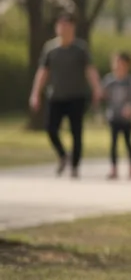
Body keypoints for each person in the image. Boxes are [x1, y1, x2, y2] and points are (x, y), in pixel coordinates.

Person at [28, 12, 103, 179]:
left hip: (76, 96)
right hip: (56, 96)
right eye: (61, 25)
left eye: (66, 25)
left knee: (76, 132)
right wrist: (35, 93)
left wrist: (97, 88)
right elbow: (43, 72)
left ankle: (75, 166)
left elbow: (90, 70)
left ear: (72, 28)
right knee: (51, 128)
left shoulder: (80, 49)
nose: (63, 28)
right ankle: (63, 155)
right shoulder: (50, 49)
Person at [102, 52, 131, 180]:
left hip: (126, 118)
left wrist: (130, 108)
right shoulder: (109, 81)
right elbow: (103, 96)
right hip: (114, 116)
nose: (119, 66)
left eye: (121, 63)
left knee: (128, 142)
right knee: (113, 143)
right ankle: (114, 169)